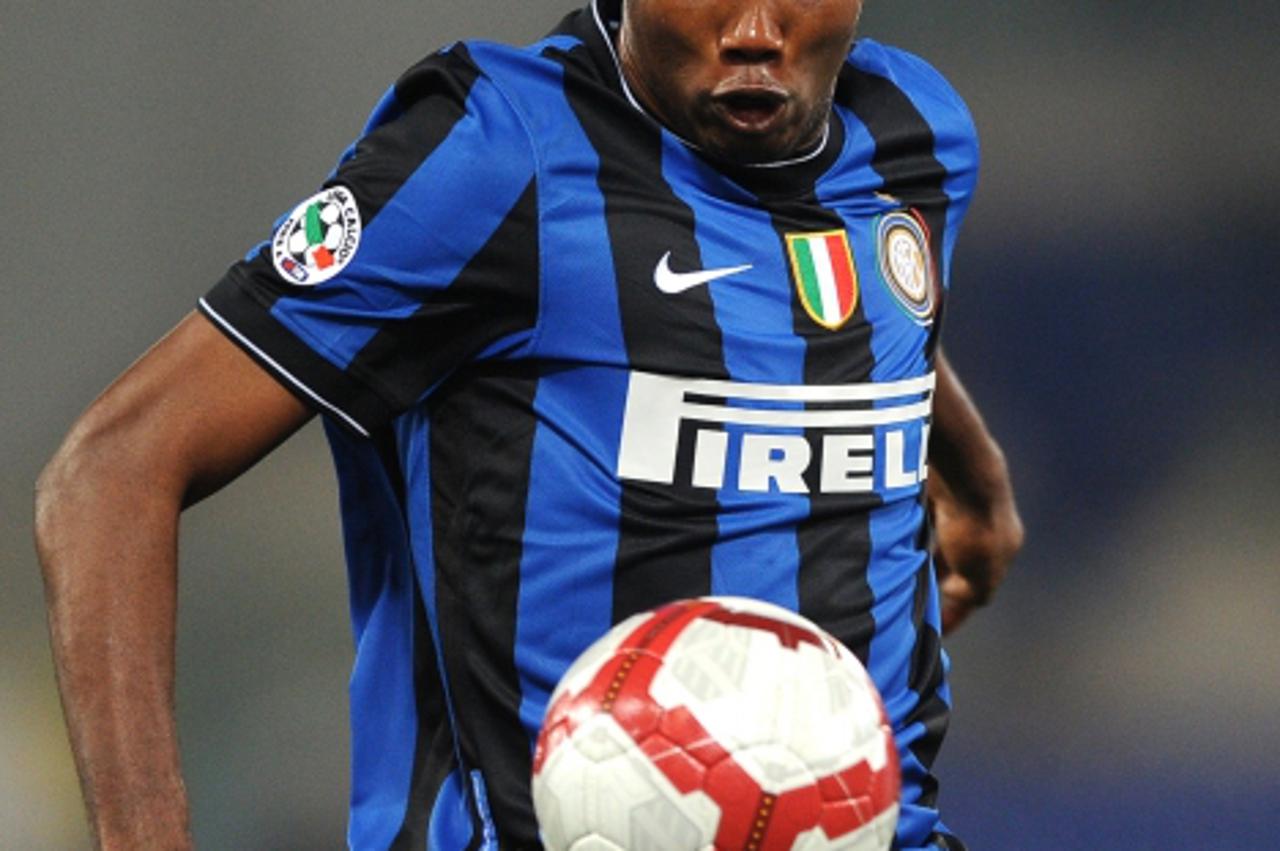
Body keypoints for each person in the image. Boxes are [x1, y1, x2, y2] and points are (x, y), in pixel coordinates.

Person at [34, 0, 1023, 848]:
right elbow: (112, 469)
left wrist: (969, 469)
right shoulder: (497, 156)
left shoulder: (916, 133)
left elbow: (845, 306)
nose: (756, 30)